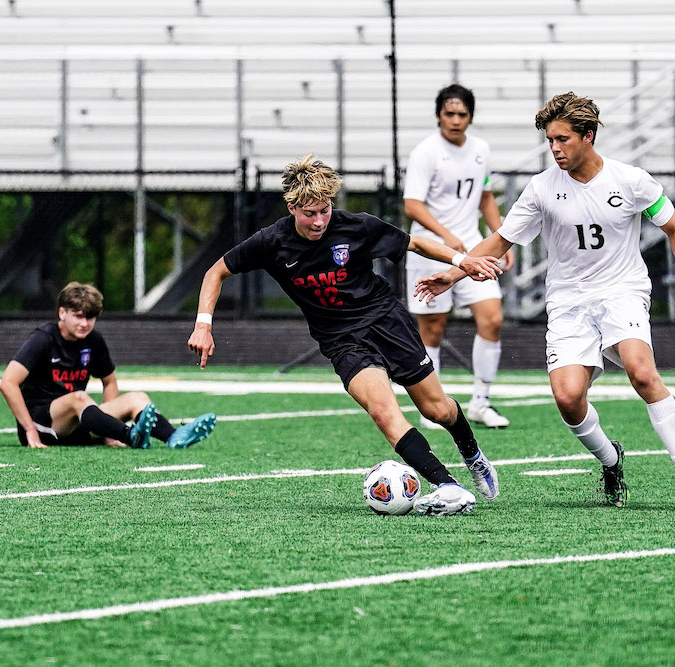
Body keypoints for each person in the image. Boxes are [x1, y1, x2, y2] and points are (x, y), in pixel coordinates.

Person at [415, 92, 675, 508]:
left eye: (562, 139)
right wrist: (454, 271)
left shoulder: (631, 180)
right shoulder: (541, 188)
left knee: (642, 373)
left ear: (588, 136)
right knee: (568, 398)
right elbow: (500, 239)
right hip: (569, 301)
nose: (554, 148)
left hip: (621, 291)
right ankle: (612, 461)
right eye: (549, 140)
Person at [187, 154, 503, 516]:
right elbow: (216, 271)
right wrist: (203, 323)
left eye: (325, 210)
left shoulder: (356, 226)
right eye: (310, 213)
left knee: (437, 408)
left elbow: (415, 243)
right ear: (292, 207)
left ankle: (473, 454)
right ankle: (446, 485)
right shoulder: (271, 241)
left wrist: (461, 261)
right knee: (383, 412)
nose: (319, 220)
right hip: (341, 340)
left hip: (386, 321)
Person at [404, 84, 515, 430]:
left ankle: (481, 402)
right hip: (430, 251)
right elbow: (412, 204)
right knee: (433, 330)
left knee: (492, 319)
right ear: (438, 115)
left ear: (471, 117)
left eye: (462, 114)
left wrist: (501, 239)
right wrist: (447, 236)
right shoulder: (425, 152)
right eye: (449, 113)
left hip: (473, 249)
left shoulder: (480, 149)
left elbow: (485, 197)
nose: (455, 120)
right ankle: (433, 407)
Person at [0, 282, 217, 450]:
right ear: (62, 313)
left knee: (137, 398)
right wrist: (29, 430)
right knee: (79, 398)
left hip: (77, 423)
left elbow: (109, 380)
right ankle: (130, 436)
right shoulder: (43, 339)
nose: (85, 324)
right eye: (78, 317)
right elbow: (8, 383)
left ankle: (173, 437)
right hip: (43, 425)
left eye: (91, 318)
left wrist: (106, 429)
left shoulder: (93, 340)